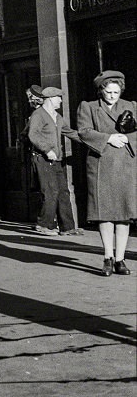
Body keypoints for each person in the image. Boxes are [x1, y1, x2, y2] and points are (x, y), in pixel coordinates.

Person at [77, 70, 137, 276]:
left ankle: (121, 259)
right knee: (104, 214)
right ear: (101, 90)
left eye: (116, 92)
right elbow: (83, 132)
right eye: (109, 92)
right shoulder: (89, 107)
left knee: (123, 215)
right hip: (101, 165)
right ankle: (107, 257)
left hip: (125, 165)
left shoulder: (131, 106)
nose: (112, 96)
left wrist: (129, 139)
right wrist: (109, 138)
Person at [27, 86, 81, 236]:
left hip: (57, 159)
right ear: (50, 99)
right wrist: (46, 149)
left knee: (63, 191)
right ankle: (44, 225)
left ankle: (67, 227)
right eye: (59, 97)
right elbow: (33, 135)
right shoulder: (39, 115)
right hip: (43, 158)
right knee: (50, 191)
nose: (61, 100)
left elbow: (70, 133)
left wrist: (95, 140)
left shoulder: (57, 117)